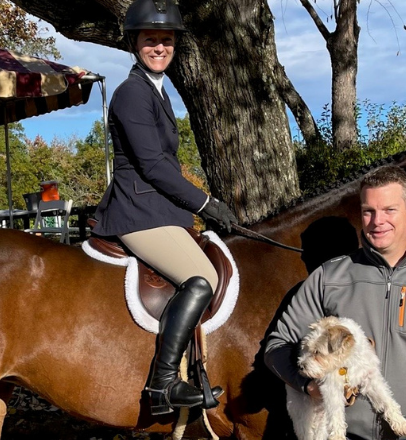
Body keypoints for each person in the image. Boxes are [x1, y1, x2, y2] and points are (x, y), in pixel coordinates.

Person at [92, 0, 237, 416]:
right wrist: (206, 202)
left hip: (158, 210)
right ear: (135, 43)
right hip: (137, 212)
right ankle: (163, 383)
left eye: (167, 40)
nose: (160, 47)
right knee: (202, 276)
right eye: (151, 39)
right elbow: (154, 165)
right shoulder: (131, 93)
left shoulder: (156, 89)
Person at [264, 165, 406, 440]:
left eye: (389, 209)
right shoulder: (328, 277)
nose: (377, 221)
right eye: (368, 211)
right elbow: (276, 347)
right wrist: (308, 385)